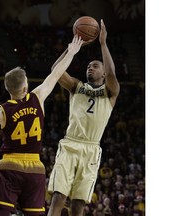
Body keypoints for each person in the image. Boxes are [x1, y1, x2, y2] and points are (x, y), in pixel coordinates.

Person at [0, 35, 83, 216]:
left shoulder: (2, 111)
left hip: (10, 167)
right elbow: (56, 73)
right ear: (25, 88)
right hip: (35, 169)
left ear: (8, 89)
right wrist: (71, 52)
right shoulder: (38, 97)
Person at [47, 19, 120, 216]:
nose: (90, 68)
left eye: (95, 66)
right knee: (58, 197)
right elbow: (56, 70)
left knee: (79, 203)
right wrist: (72, 48)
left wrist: (103, 44)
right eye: (88, 65)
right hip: (71, 144)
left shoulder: (110, 92)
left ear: (103, 73)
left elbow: (112, 73)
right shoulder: (76, 86)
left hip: (91, 148)